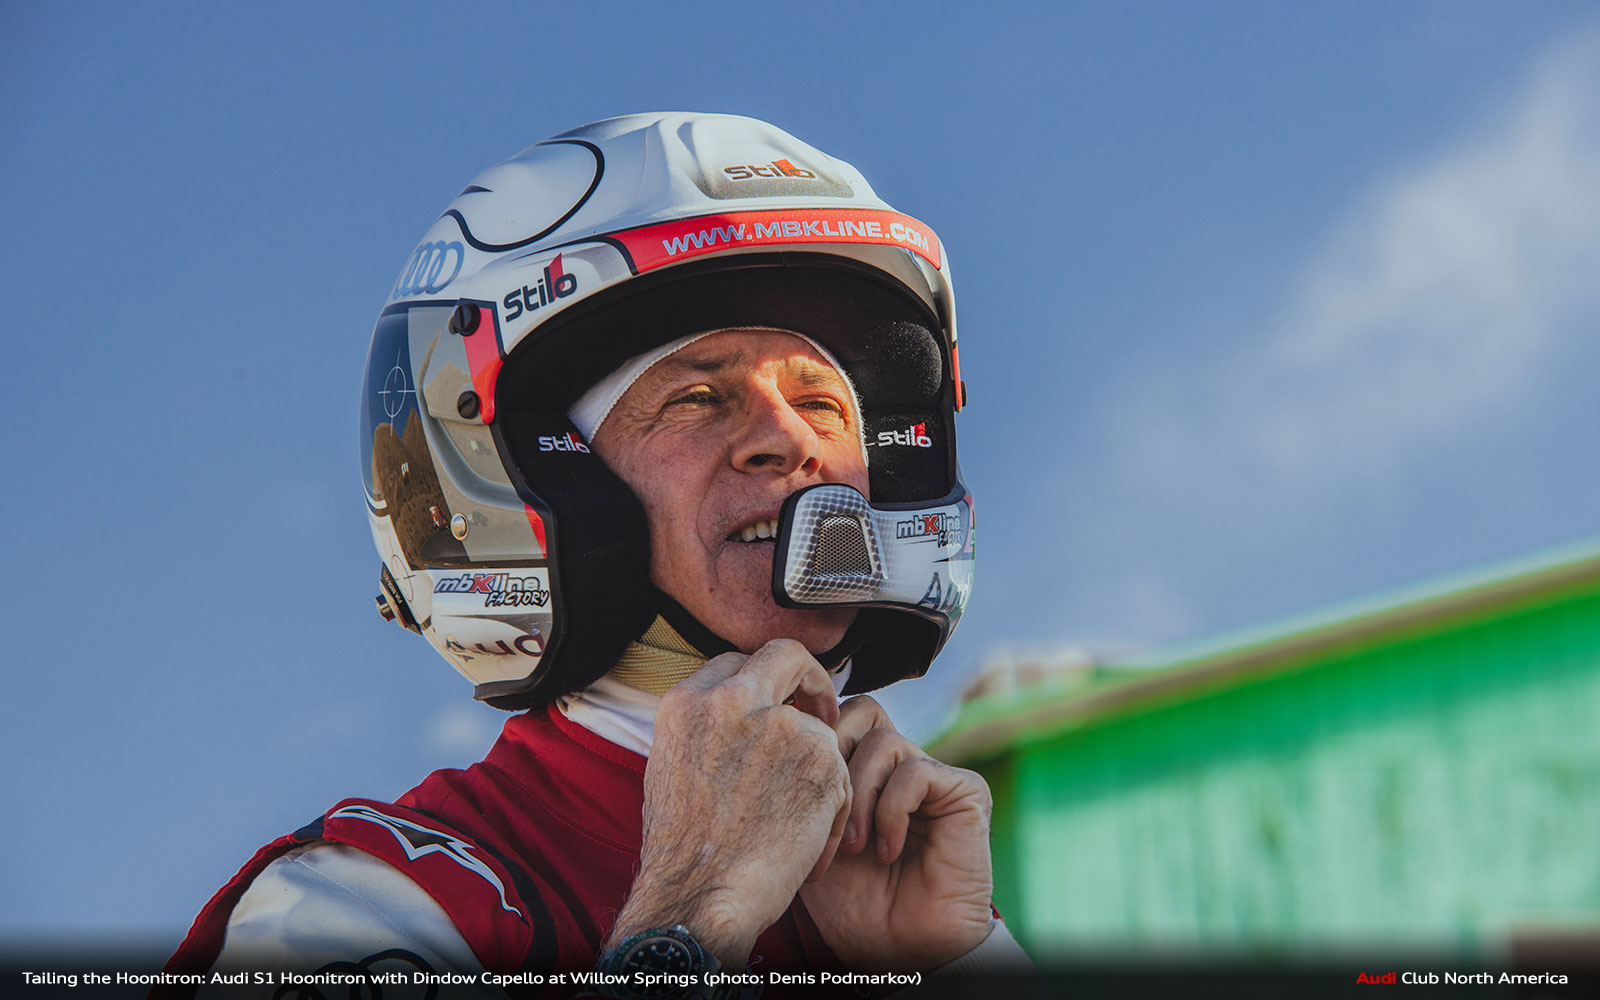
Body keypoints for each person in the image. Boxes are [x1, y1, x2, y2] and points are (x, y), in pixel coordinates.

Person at [164, 112, 1027, 997]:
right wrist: (697, 911)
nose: (790, 440)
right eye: (698, 398)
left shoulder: (917, 881)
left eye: (822, 405)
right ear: (547, 479)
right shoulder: (367, 903)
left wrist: (957, 964)